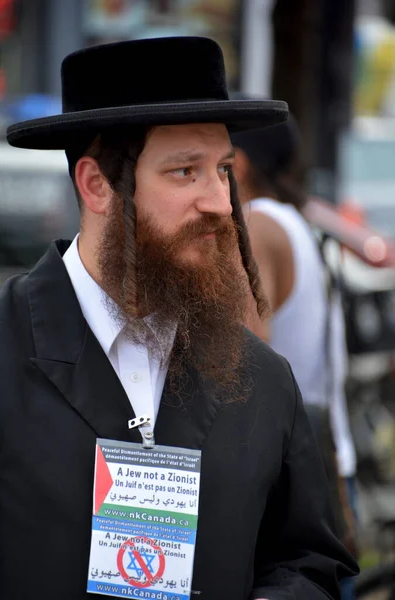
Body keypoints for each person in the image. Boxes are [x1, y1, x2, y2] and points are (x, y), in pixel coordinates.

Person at [0, 37, 357, 600]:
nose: (217, 201)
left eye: (223, 169)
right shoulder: (2, 349)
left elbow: (308, 563)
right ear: (96, 186)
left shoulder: (262, 379)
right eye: (185, 172)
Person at [232, 115, 358, 598]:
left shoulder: (257, 226)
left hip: (290, 492)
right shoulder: (298, 222)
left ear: (237, 166)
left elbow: (243, 361)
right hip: (326, 468)